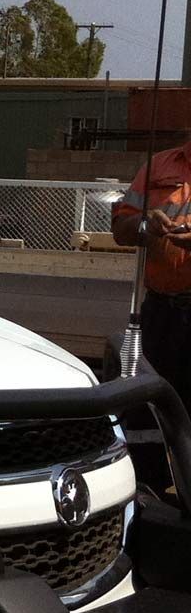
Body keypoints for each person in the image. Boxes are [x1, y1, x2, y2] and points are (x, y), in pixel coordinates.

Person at [112, 131, 191, 410]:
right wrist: (146, 223)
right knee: (145, 408)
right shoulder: (157, 166)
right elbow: (121, 230)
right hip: (159, 314)